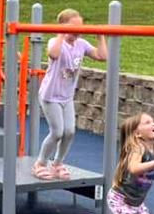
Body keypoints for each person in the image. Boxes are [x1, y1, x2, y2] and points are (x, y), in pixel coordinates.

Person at [32, 9, 107, 180]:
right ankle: (40, 163)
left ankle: (57, 163)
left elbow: (102, 56)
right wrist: (60, 34)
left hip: (66, 97)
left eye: (81, 26)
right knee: (57, 132)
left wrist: (100, 36)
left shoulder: (81, 44)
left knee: (70, 131)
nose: (79, 30)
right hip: (50, 96)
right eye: (75, 26)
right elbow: (53, 54)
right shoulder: (55, 41)